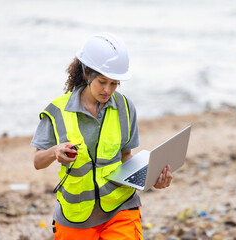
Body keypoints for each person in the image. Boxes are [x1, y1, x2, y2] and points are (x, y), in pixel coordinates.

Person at [31, 32, 173, 240]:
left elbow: (126, 157)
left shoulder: (125, 107)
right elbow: (37, 162)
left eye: (114, 83)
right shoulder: (57, 110)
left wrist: (151, 180)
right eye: (102, 82)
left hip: (120, 207)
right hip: (75, 216)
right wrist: (54, 152)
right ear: (87, 74)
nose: (108, 90)